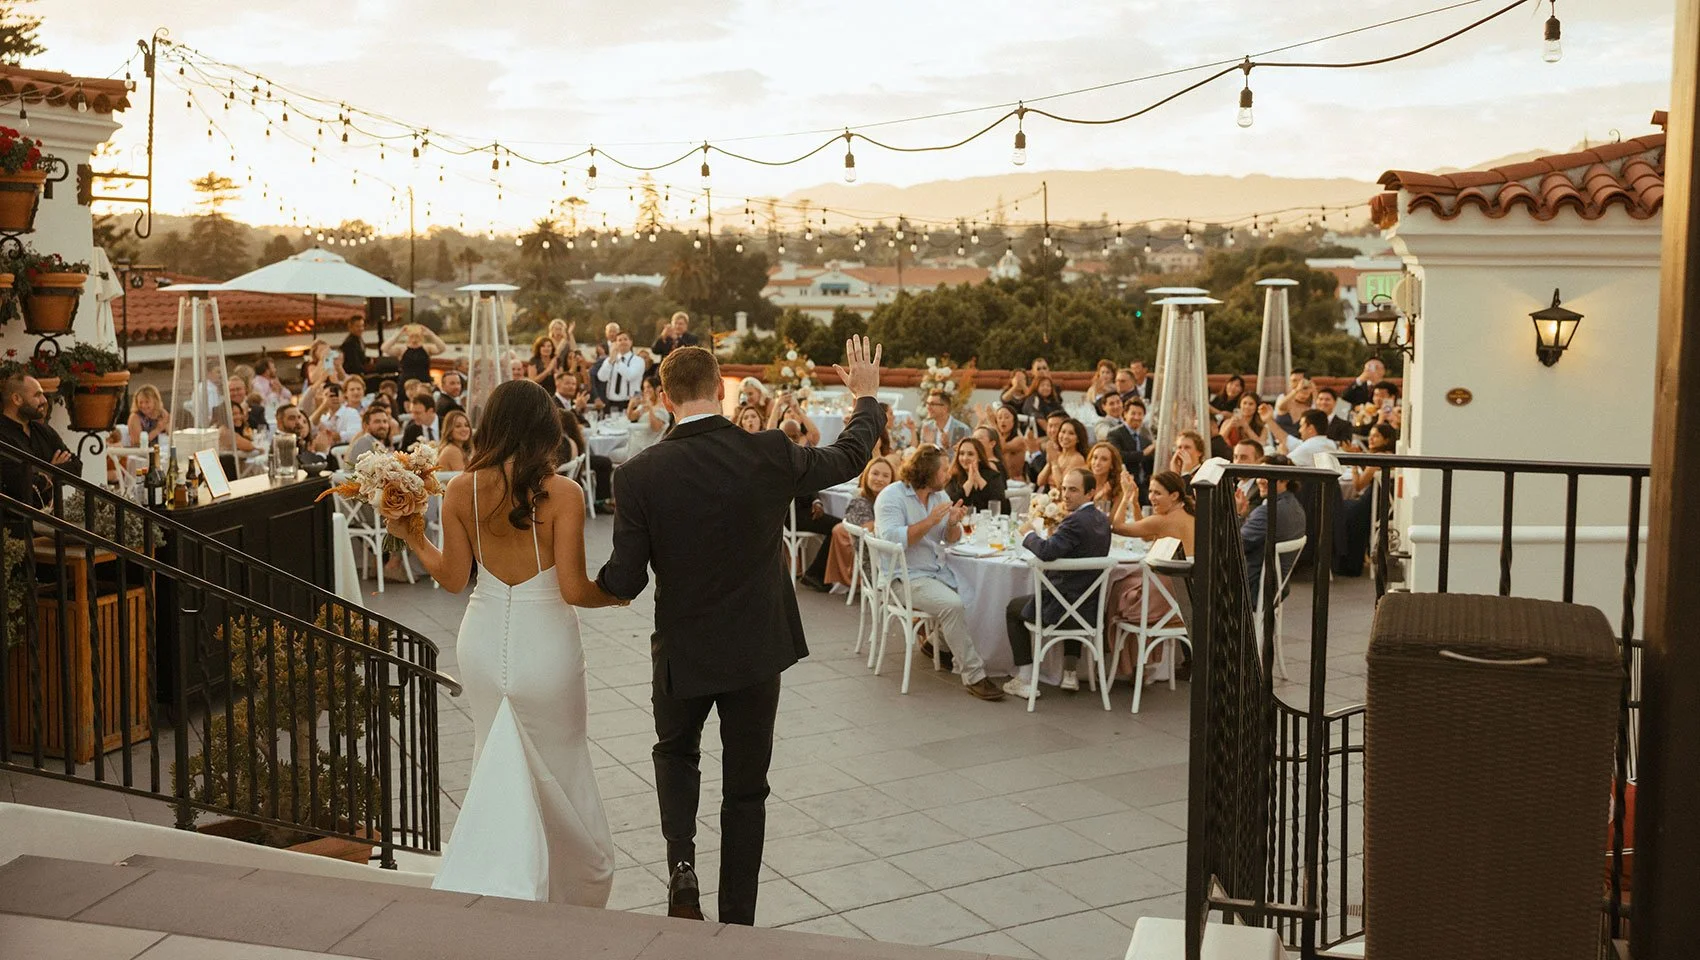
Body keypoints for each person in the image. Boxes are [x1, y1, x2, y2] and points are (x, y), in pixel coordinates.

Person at [594, 339, 884, 925]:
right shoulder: (770, 452)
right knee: (746, 788)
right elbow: (850, 456)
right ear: (721, 386)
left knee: (676, 754)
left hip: (683, 650)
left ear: (665, 396)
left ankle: (681, 867)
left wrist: (576, 582)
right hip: (756, 649)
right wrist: (866, 396)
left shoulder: (639, 474)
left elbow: (625, 579)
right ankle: (738, 917)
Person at [386, 379, 620, 905]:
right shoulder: (563, 494)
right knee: (562, 761)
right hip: (547, 647)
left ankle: (500, 881)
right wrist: (618, 597)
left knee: (496, 759)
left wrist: (411, 537)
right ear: (545, 430)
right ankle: (571, 883)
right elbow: (575, 589)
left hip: (484, 643)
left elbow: (451, 578)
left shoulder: (461, 490)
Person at [874, 443, 1005, 702]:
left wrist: (954, 522)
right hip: (902, 576)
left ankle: (937, 643)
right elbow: (892, 540)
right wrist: (931, 521)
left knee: (978, 595)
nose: (948, 475)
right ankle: (974, 675)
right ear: (927, 471)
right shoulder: (892, 496)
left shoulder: (940, 496)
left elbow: (950, 539)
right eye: (944, 470)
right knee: (953, 605)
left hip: (935, 570)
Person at [1001, 467, 1112, 699]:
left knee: (1013, 608)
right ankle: (1069, 672)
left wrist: (1028, 534)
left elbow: (1046, 551)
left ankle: (1024, 678)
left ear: (1090, 493)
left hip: (1061, 610)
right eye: (1063, 488)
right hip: (1089, 610)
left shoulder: (1075, 522)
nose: (1065, 494)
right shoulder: (1101, 520)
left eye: (1073, 490)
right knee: (1073, 591)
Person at [1105, 471, 1197, 681]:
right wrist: (1136, 505)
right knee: (1126, 586)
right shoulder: (1189, 515)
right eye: (1151, 492)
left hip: (1165, 602)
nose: (1152, 497)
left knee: (1115, 592)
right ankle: (1140, 668)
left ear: (1174, 496)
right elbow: (1147, 535)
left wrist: (1126, 497)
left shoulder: (1163, 520)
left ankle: (1132, 668)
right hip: (1184, 596)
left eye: (1158, 493)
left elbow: (1116, 527)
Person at [1239, 454, 1307, 607]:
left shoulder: (1269, 511)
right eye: (1260, 475)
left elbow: (1236, 545)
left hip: (1255, 589)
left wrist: (1236, 515)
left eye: (1267, 476)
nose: (1260, 480)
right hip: (1278, 588)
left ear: (1285, 479)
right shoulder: (1295, 507)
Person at [0, 373, 76, 506]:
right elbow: (18, 483)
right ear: (17, 399)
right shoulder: (3, 435)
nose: (44, 400)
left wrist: (43, 476)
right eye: (37, 395)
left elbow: (75, 466)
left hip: (49, 519)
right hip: (14, 521)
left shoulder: (42, 430)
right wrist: (52, 471)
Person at [824, 457, 894, 590]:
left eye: (885, 476)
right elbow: (875, 536)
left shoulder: (889, 502)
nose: (879, 479)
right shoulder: (859, 503)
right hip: (878, 567)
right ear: (866, 475)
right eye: (875, 473)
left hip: (890, 559)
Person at [945, 436, 1009, 513]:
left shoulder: (993, 476)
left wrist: (979, 479)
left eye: (970, 454)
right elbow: (950, 504)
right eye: (961, 454)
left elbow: (1002, 507)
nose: (965, 458)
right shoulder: (952, 477)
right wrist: (969, 482)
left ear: (979, 457)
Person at [1105, 397, 1154, 497]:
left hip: (1144, 488)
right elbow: (1119, 456)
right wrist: (1143, 453)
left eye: (1140, 414)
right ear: (1125, 414)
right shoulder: (1114, 434)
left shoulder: (1145, 439)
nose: (1136, 417)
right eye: (1133, 413)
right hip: (1123, 487)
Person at [595, 331, 645, 413]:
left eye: (625, 339)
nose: (622, 342)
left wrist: (618, 361)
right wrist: (610, 361)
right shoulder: (609, 360)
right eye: (620, 340)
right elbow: (601, 377)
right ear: (615, 343)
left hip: (630, 403)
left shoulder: (638, 360)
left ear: (631, 342)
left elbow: (630, 376)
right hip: (611, 402)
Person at [984, 403, 1036, 479]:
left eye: (1007, 417)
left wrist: (993, 424)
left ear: (1014, 421)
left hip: (1015, 483)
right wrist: (982, 421)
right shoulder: (993, 438)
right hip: (998, 480)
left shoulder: (1019, 440)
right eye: (999, 418)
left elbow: (1002, 447)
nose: (1003, 421)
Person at [622, 378, 670, 460]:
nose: (646, 390)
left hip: (645, 447)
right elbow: (631, 417)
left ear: (658, 388)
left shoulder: (662, 408)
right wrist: (631, 405)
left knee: (609, 453)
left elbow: (656, 428)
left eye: (648, 387)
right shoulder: (645, 405)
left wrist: (650, 408)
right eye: (644, 388)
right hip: (634, 444)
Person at [1035, 417, 1087, 490]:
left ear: (1078, 439)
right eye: (1063, 432)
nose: (1065, 437)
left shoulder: (1077, 459)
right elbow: (1040, 482)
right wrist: (1050, 462)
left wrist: (1054, 463)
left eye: (1071, 433)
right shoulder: (1057, 455)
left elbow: (1062, 486)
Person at [1085, 442, 1126, 515]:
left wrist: (1105, 498)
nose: (1097, 463)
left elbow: (1112, 523)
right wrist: (1096, 499)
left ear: (1112, 465)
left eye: (1104, 459)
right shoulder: (1081, 483)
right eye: (1095, 457)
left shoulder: (1117, 490)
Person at [329, 376, 366, 442]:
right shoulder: (339, 410)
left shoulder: (369, 409)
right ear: (345, 393)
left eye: (359, 389)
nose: (356, 392)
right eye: (352, 389)